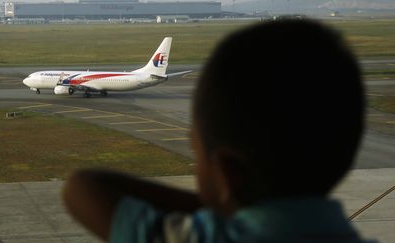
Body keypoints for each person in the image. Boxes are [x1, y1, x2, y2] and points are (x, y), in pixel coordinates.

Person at [63, 19, 374, 243]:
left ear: (227, 171)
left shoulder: (200, 237)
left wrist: (224, 209)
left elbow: (82, 187)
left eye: (197, 153)